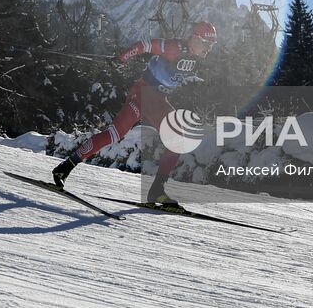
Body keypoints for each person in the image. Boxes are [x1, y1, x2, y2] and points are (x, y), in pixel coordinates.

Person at [52, 21, 218, 206]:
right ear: (195, 38)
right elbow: (144, 45)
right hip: (143, 94)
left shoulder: (194, 57)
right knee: (119, 135)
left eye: (212, 45)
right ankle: (65, 167)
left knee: (117, 135)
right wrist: (122, 57)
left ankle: (65, 167)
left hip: (157, 99)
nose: (209, 49)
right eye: (207, 43)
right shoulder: (173, 47)